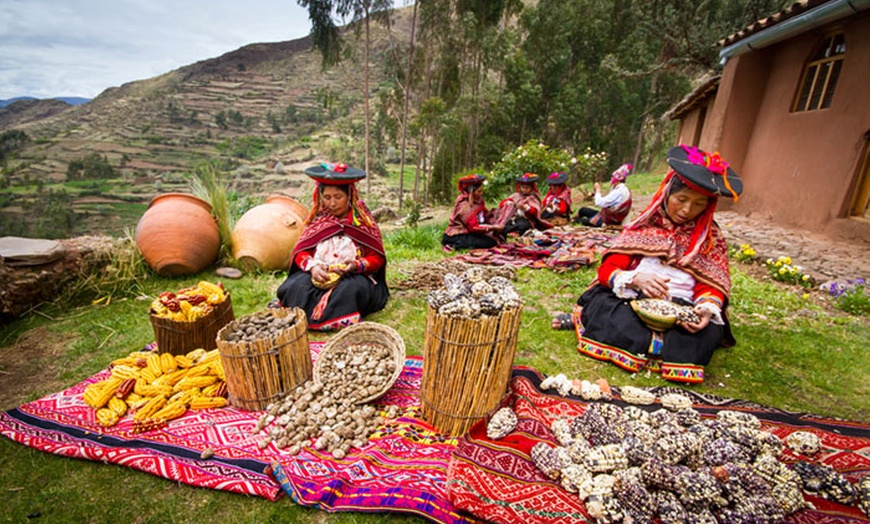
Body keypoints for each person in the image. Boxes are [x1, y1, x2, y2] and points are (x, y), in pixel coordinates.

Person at [556, 145, 742, 384]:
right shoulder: (644, 224)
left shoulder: (710, 239)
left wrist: (706, 307)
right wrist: (634, 278)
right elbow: (608, 270)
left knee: (706, 333)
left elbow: (711, 283)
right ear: (666, 193)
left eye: (698, 204)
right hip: (633, 298)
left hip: (684, 307)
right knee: (605, 307)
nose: (687, 210)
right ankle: (649, 343)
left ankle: (650, 343)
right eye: (682, 199)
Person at [275, 163, 389, 331]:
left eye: (338, 197)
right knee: (294, 287)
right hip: (319, 273)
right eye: (327, 198)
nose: (332, 203)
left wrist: (356, 265)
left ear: (349, 196)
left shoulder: (362, 221)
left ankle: (335, 319)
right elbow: (302, 252)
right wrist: (313, 267)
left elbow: (377, 258)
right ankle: (302, 315)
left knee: (350, 291)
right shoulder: (318, 221)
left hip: (352, 276)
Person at [441, 173, 501, 252]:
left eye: (481, 191)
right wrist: (493, 227)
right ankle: (453, 245)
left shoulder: (479, 201)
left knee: (493, 240)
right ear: (471, 192)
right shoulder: (464, 205)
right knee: (489, 242)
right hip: (458, 234)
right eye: (479, 191)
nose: (481, 194)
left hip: (470, 232)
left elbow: (484, 215)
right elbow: (473, 228)